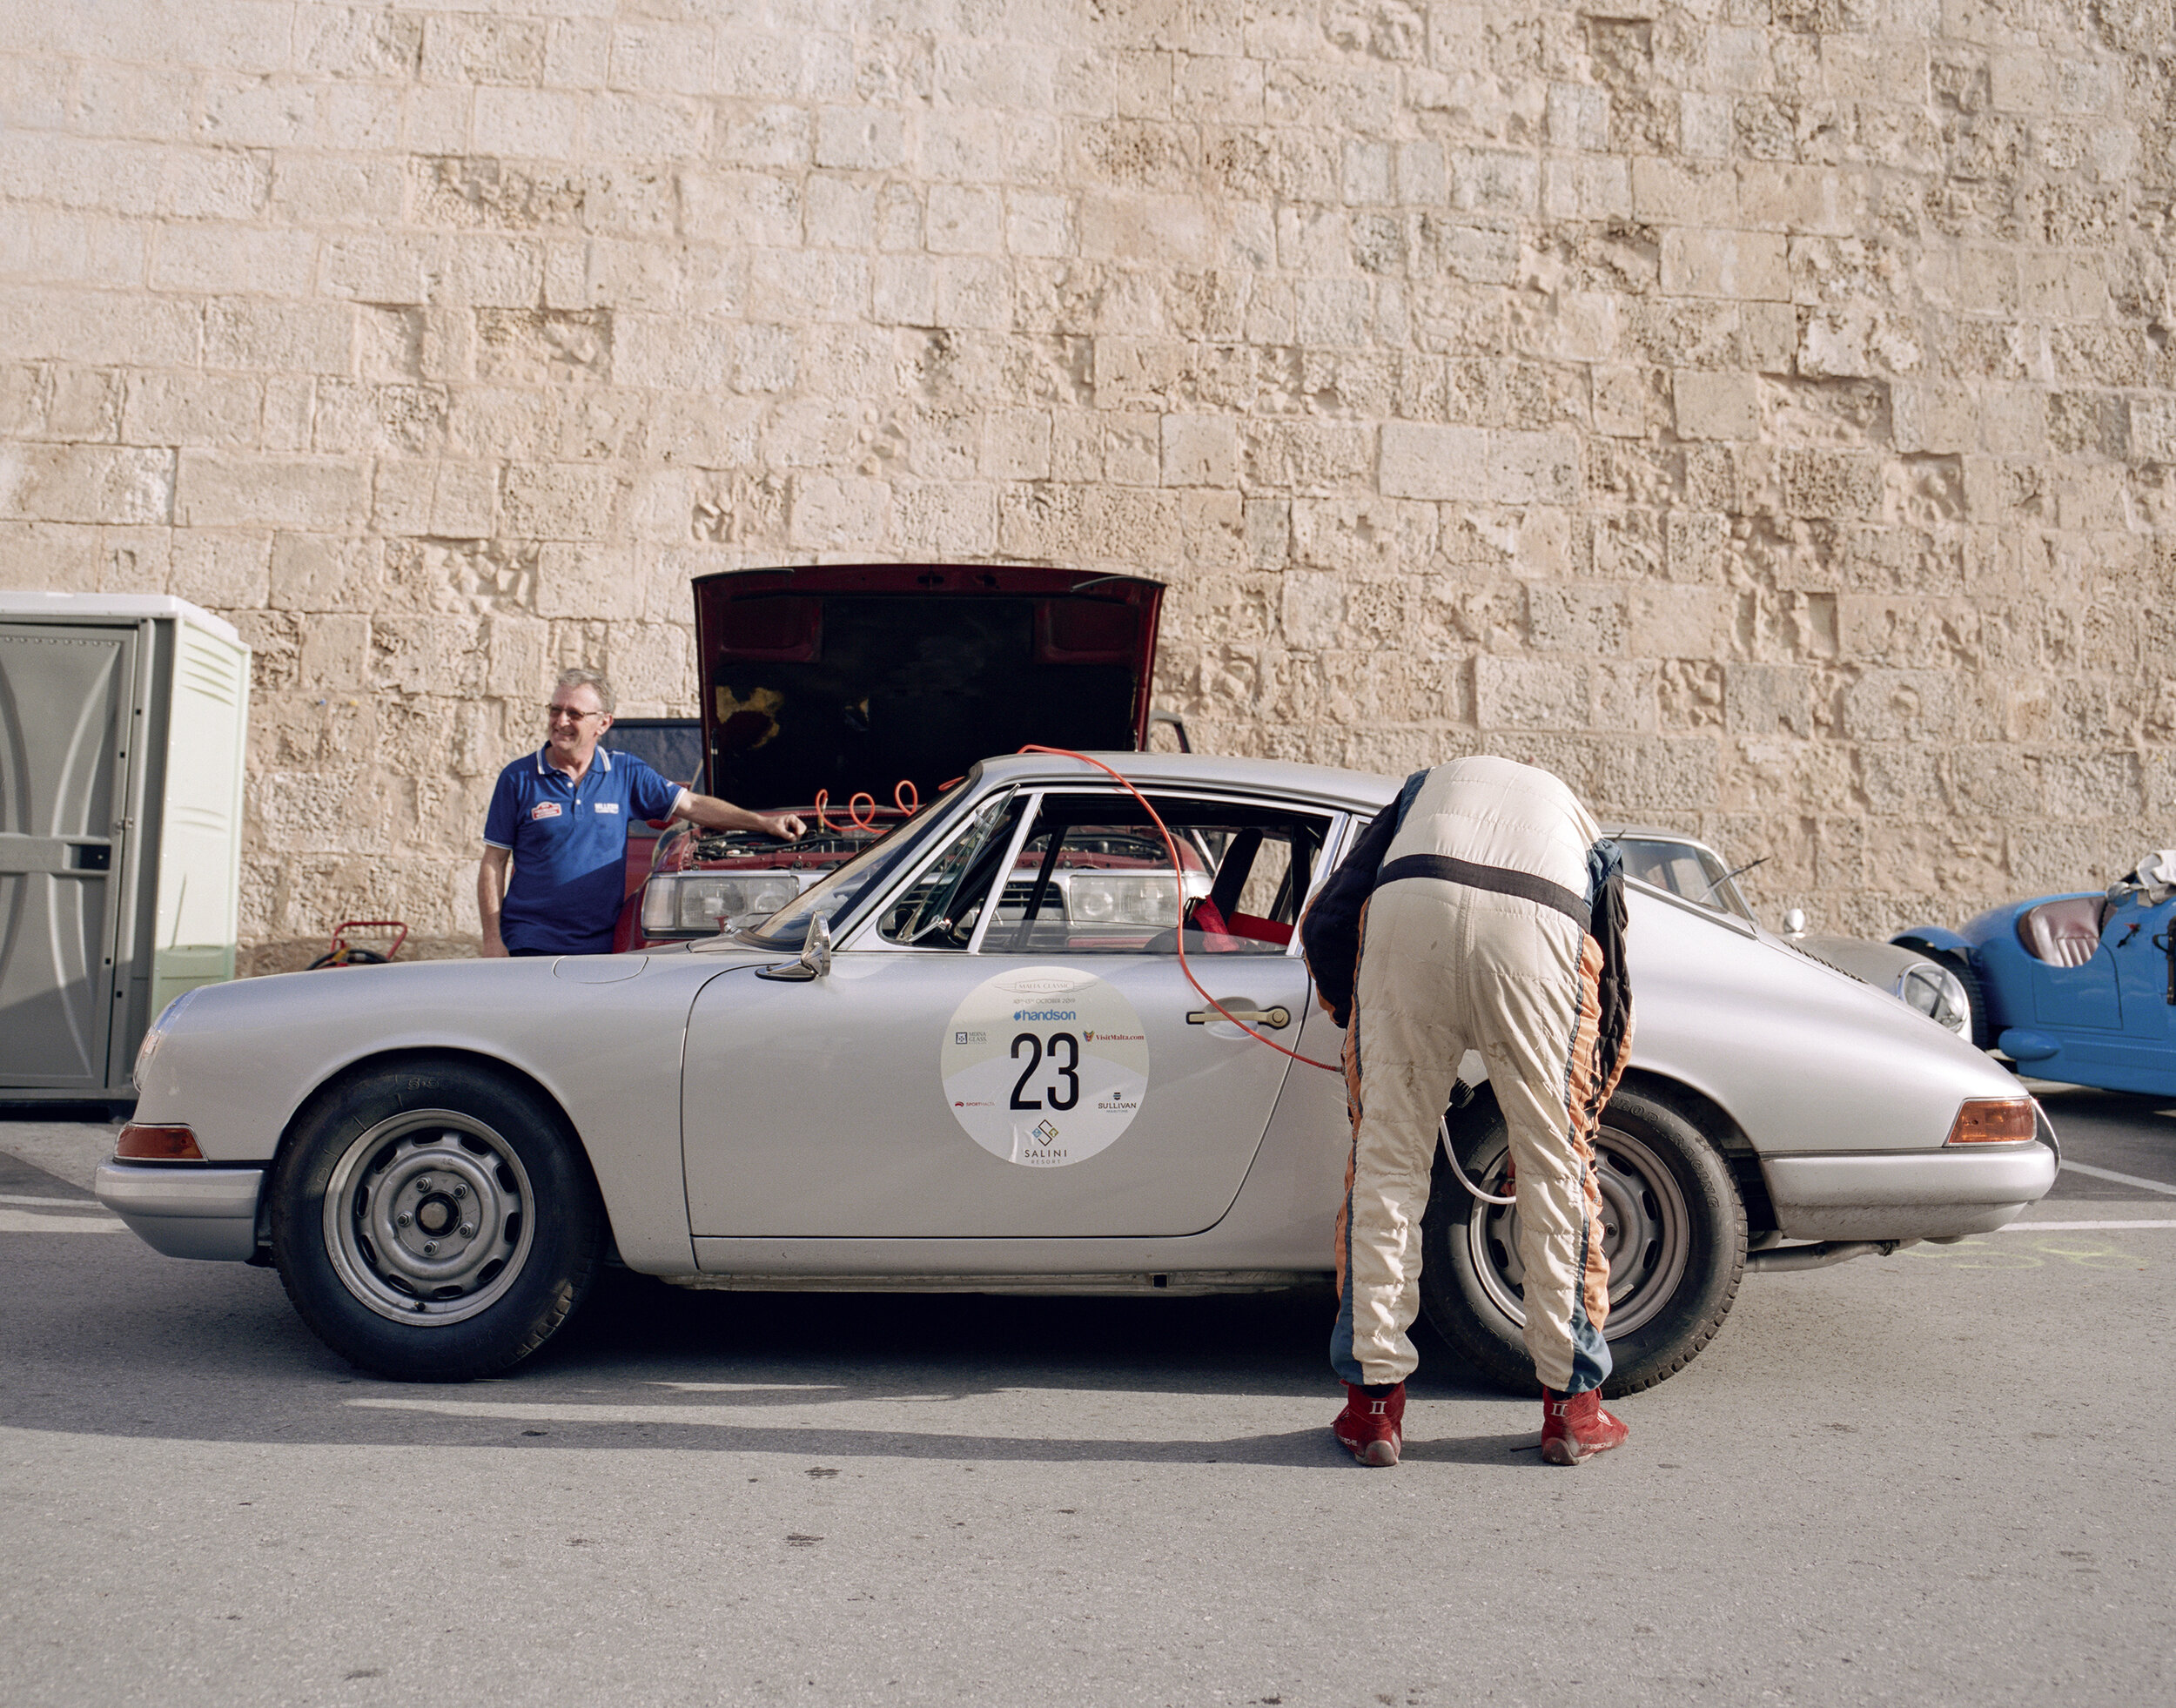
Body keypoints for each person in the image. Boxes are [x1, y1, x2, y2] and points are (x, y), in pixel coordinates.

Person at [1300, 755, 1635, 1468]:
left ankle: (1373, 1413)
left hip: (1410, 913)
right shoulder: (1579, 829)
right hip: (1540, 927)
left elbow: (1329, 918)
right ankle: (1573, 1411)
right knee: (1556, 1175)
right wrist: (1581, 1117)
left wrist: (1355, 1022)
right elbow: (1612, 1005)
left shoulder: (1422, 791)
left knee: (1385, 1170)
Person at [478, 669, 806, 958]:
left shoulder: (624, 772)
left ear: (602, 723)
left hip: (602, 948)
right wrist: (493, 940)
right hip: (529, 944)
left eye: (574, 714)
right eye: (556, 710)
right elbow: (494, 861)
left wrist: (763, 823)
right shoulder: (517, 778)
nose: (560, 721)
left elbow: (691, 805)